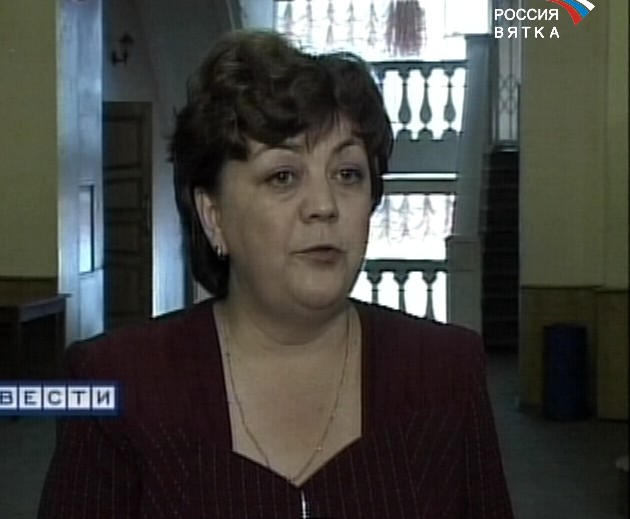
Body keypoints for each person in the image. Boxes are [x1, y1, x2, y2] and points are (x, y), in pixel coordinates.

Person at [38, 29, 514, 518]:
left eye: (347, 174)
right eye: (283, 176)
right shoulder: (114, 379)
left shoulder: (446, 373)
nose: (324, 205)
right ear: (213, 216)